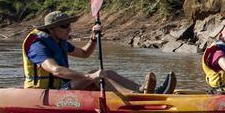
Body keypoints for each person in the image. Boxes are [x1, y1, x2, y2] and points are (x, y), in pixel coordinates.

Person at [23, 10, 174, 93]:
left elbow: (84, 53)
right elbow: (56, 70)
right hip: (44, 92)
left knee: (105, 72)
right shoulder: (37, 45)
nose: (69, 28)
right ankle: (134, 98)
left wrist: (93, 39)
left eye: (68, 24)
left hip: (61, 87)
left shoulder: (59, 41)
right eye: (63, 26)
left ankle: (142, 90)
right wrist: (88, 76)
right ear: (51, 29)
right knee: (96, 76)